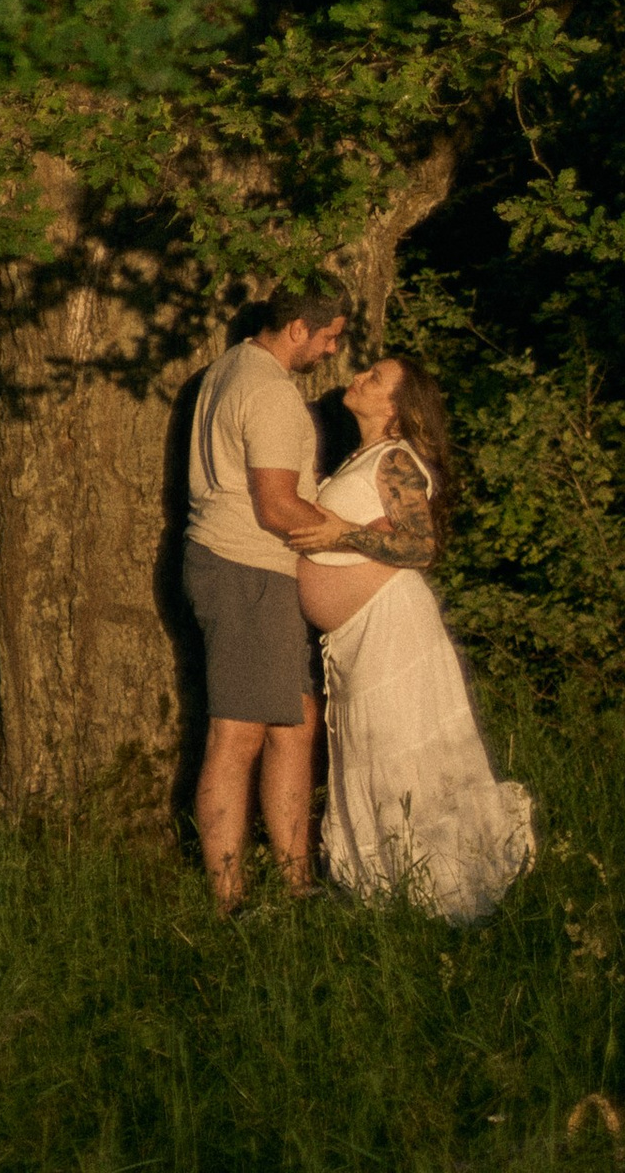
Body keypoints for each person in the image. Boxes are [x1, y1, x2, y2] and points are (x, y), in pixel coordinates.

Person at [287, 351, 534, 924]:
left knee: (399, 745)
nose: (358, 378)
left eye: (374, 378)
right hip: (361, 633)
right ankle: (388, 887)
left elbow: (421, 546)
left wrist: (343, 533)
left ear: (397, 410)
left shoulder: (395, 458)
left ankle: (439, 892)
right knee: (374, 748)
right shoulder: (364, 457)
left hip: (391, 628)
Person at [182, 282, 350, 910]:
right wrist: (356, 538)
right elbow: (278, 507)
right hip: (244, 567)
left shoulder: (229, 367)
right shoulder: (271, 391)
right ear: (299, 328)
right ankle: (231, 903)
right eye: (329, 336)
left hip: (255, 570)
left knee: (295, 724)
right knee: (237, 734)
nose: (332, 350)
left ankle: (297, 883)